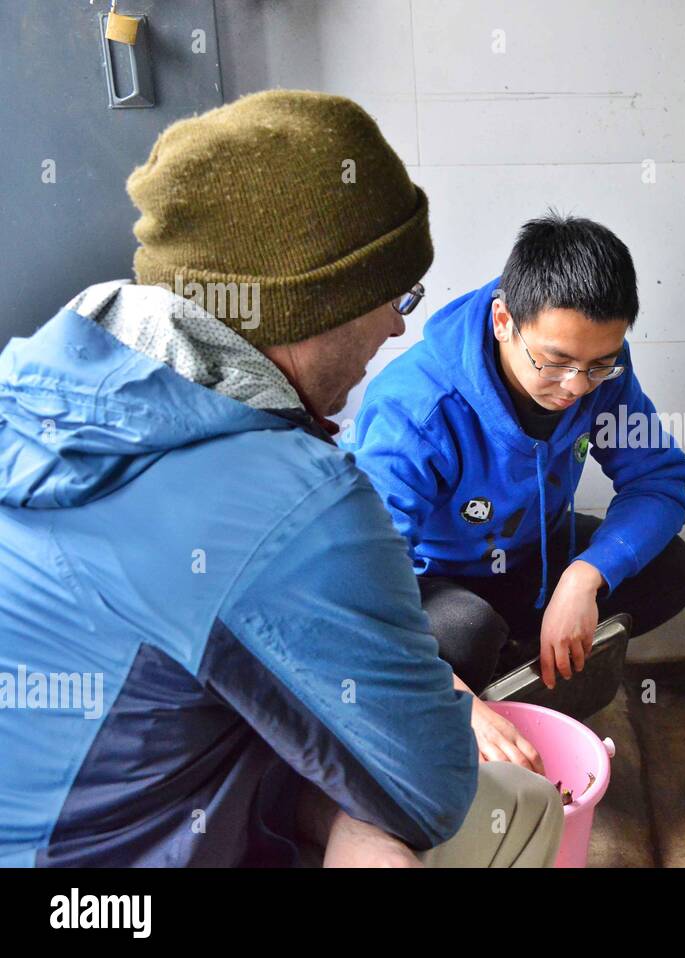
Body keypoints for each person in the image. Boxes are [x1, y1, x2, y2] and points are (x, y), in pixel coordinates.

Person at [0, 90, 561, 867]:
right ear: (309, 307)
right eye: (391, 297)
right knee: (516, 810)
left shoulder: (29, 385)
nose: (399, 326)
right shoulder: (293, 501)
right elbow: (430, 790)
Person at [354, 213, 685, 771]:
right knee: (463, 632)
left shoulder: (599, 371)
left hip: (537, 556)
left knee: (668, 570)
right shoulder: (415, 409)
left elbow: (658, 482)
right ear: (502, 319)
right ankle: (479, 694)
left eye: (599, 365)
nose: (576, 387)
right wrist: (455, 699)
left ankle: (522, 670)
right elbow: (362, 584)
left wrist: (585, 576)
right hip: (438, 583)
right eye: (556, 362)